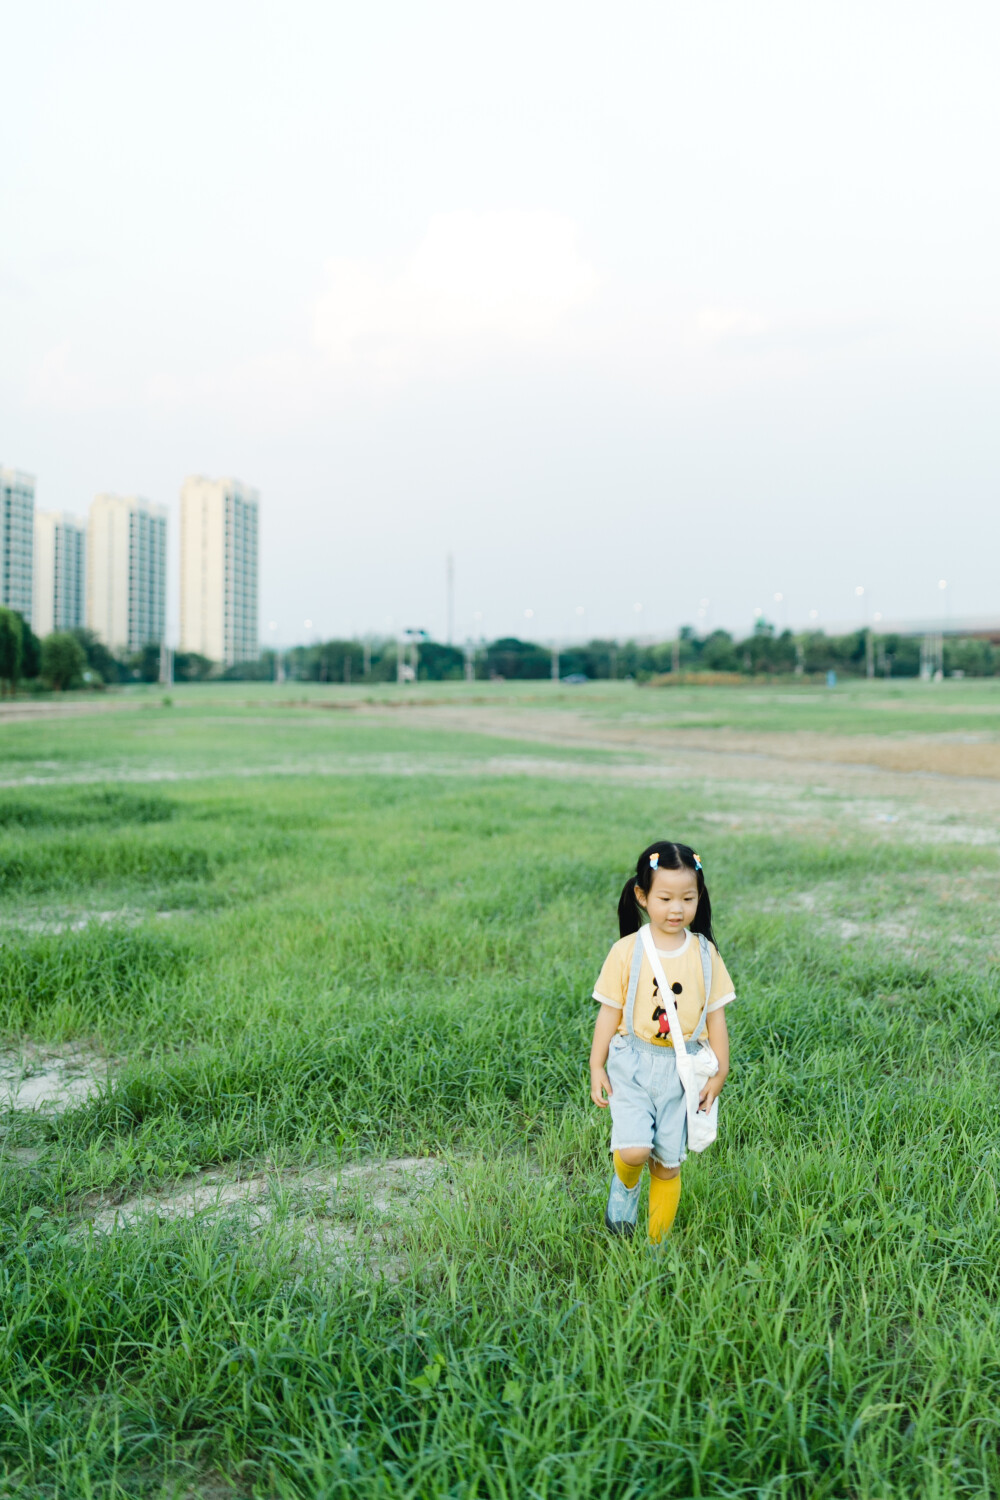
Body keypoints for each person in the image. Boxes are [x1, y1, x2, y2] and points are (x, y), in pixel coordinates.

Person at [589, 840, 736, 1242]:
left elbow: (715, 1016)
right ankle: (625, 1186)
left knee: (668, 1165)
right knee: (634, 1150)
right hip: (633, 1063)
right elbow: (609, 1011)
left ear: (699, 897)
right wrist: (596, 1065)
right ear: (642, 896)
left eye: (687, 898)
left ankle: (656, 1247)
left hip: (682, 1070)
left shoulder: (706, 954)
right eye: (665, 897)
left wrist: (720, 1071)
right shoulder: (627, 950)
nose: (677, 909)